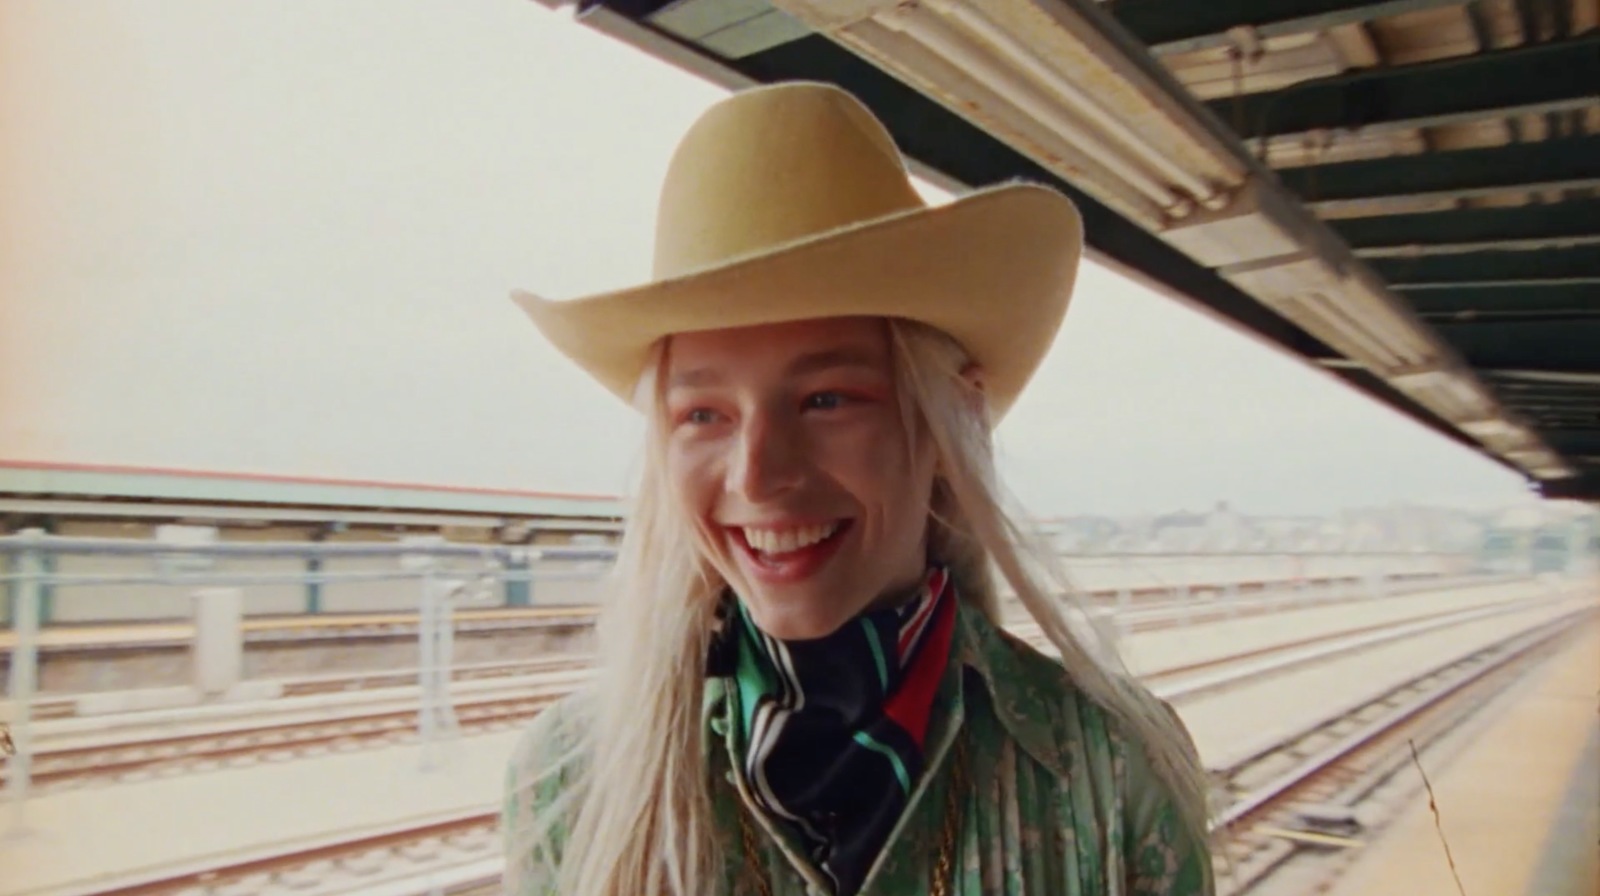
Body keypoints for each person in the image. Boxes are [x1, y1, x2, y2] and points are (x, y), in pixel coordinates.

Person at [501, 80, 1215, 896]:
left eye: (826, 400)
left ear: (951, 425)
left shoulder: (1110, 768)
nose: (758, 475)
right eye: (703, 414)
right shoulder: (568, 782)